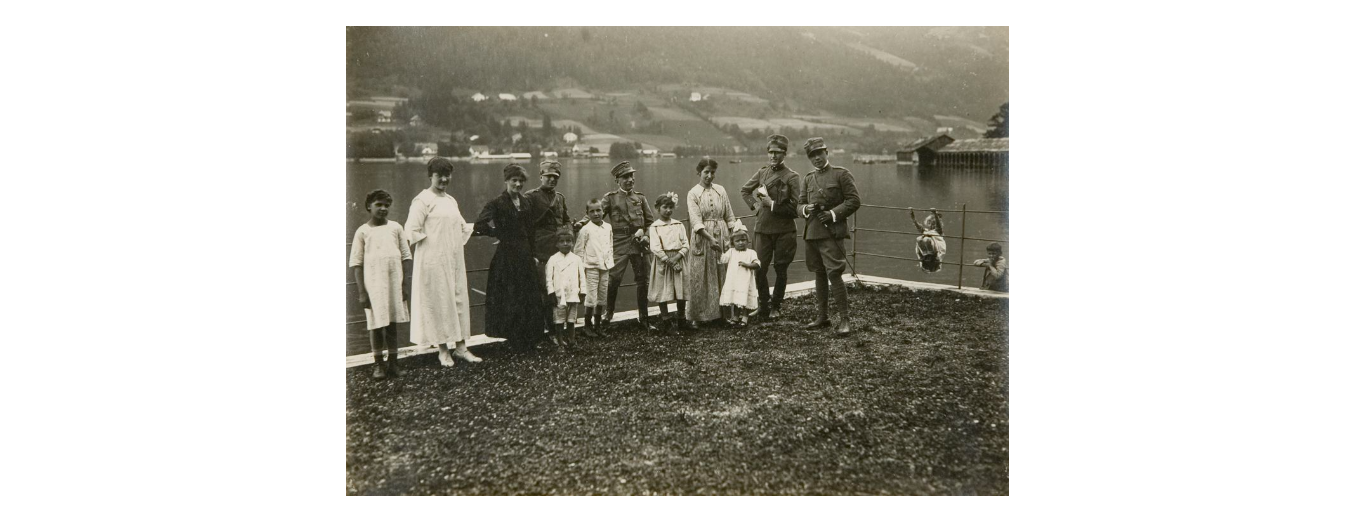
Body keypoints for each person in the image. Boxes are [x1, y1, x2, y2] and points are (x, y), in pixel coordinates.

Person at [406, 158, 481, 367]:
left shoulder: (450, 200)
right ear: (431, 176)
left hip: (454, 259)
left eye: (448, 175)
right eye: (440, 175)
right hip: (432, 261)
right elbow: (411, 230)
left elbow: (461, 226)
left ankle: (461, 347)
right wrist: (433, 246)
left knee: (458, 299)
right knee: (438, 302)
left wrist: (483, 225)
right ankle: (442, 350)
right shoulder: (422, 200)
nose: (444, 179)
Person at [475, 164, 547, 350]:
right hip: (507, 256)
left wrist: (533, 254)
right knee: (510, 295)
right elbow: (480, 224)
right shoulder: (497, 203)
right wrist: (497, 232)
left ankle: (530, 338)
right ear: (506, 180)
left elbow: (531, 231)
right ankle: (513, 339)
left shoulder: (526, 202)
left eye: (521, 181)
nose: (518, 184)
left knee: (528, 295)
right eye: (514, 180)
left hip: (524, 253)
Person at [796, 137, 861, 336]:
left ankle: (845, 320)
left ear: (827, 152)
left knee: (834, 273)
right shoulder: (808, 178)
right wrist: (806, 208)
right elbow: (798, 206)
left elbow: (854, 201)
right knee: (819, 273)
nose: (816, 158)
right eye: (812, 156)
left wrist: (832, 214)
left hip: (831, 233)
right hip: (812, 232)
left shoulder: (841, 174)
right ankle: (822, 317)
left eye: (819, 153)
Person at [350, 189, 412, 379]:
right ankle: (378, 364)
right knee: (375, 326)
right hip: (374, 287)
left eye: (386, 205)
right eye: (379, 205)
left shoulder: (396, 228)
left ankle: (394, 363)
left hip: (394, 285)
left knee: (392, 324)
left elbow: (405, 256)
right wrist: (362, 292)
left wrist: (403, 284)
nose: (383, 208)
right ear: (369, 206)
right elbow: (357, 264)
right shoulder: (363, 232)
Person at [739, 134, 800, 320]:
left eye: (777, 152)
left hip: (784, 231)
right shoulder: (762, 172)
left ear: (784, 154)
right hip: (763, 229)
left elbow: (795, 208)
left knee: (781, 269)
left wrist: (771, 204)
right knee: (759, 268)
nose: (773, 156)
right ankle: (763, 305)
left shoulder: (792, 177)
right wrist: (757, 208)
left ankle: (776, 306)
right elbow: (744, 190)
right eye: (770, 152)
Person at [685, 156, 744, 328]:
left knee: (722, 274)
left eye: (712, 172)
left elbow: (729, 216)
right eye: (706, 172)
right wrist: (710, 238)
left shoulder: (721, 190)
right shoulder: (693, 193)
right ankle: (698, 316)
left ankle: (721, 315)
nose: (709, 176)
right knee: (700, 275)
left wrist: (735, 233)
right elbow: (696, 221)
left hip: (722, 236)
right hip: (703, 238)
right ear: (699, 173)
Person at [601, 161, 658, 332]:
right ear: (617, 180)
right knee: (614, 279)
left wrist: (646, 235)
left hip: (639, 244)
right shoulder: (610, 198)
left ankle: (644, 317)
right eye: (626, 177)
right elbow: (595, 217)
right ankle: (608, 313)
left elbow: (650, 222)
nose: (630, 180)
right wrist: (580, 224)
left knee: (643, 281)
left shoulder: (640, 198)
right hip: (619, 242)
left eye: (632, 176)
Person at [525, 160, 571, 346]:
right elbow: (526, 226)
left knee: (561, 290)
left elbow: (566, 220)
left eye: (555, 177)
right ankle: (549, 330)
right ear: (541, 176)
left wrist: (568, 238)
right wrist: (531, 253)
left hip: (559, 251)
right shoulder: (531, 197)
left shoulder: (560, 198)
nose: (552, 180)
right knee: (545, 292)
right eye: (549, 176)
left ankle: (559, 329)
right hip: (541, 252)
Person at [648, 192, 689, 335]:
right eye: (665, 207)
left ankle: (681, 318)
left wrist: (678, 256)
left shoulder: (679, 224)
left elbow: (685, 244)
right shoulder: (655, 227)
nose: (668, 210)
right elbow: (655, 247)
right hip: (663, 262)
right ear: (657, 208)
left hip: (678, 259)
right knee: (662, 290)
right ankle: (666, 320)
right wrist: (668, 261)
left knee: (680, 289)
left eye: (671, 207)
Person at [573, 198, 614, 338]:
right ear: (587, 213)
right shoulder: (585, 230)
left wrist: (609, 261)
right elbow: (579, 250)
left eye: (598, 210)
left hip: (605, 266)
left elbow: (610, 245)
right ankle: (587, 325)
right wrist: (580, 270)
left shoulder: (608, 227)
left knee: (602, 296)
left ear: (603, 211)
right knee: (591, 296)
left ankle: (598, 325)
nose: (596, 213)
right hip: (590, 267)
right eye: (592, 211)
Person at [545, 230, 586, 348]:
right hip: (559, 296)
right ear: (556, 244)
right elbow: (549, 278)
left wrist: (583, 292)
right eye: (562, 241)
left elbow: (582, 277)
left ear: (573, 243)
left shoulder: (577, 259)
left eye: (568, 241)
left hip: (573, 294)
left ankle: (572, 341)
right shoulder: (552, 259)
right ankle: (560, 342)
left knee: (571, 319)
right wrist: (551, 293)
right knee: (559, 320)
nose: (565, 244)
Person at [719, 230, 760, 327]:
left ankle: (745, 317)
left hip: (746, 281)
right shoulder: (731, 252)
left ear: (748, 241)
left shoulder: (751, 252)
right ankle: (736, 317)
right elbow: (723, 260)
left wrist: (747, 265)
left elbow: (757, 264)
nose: (741, 243)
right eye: (738, 241)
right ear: (733, 243)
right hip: (734, 280)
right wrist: (719, 250)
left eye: (743, 240)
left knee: (745, 298)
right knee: (736, 299)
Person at [910, 207, 946, 273]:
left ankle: (930, 254)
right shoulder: (926, 231)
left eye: (933, 223)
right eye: (929, 223)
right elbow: (919, 227)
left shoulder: (938, 231)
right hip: (926, 255)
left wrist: (935, 214)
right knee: (919, 239)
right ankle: (926, 255)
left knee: (926, 239)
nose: (931, 225)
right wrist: (913, 219)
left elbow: (938, 226)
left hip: (935, 253)